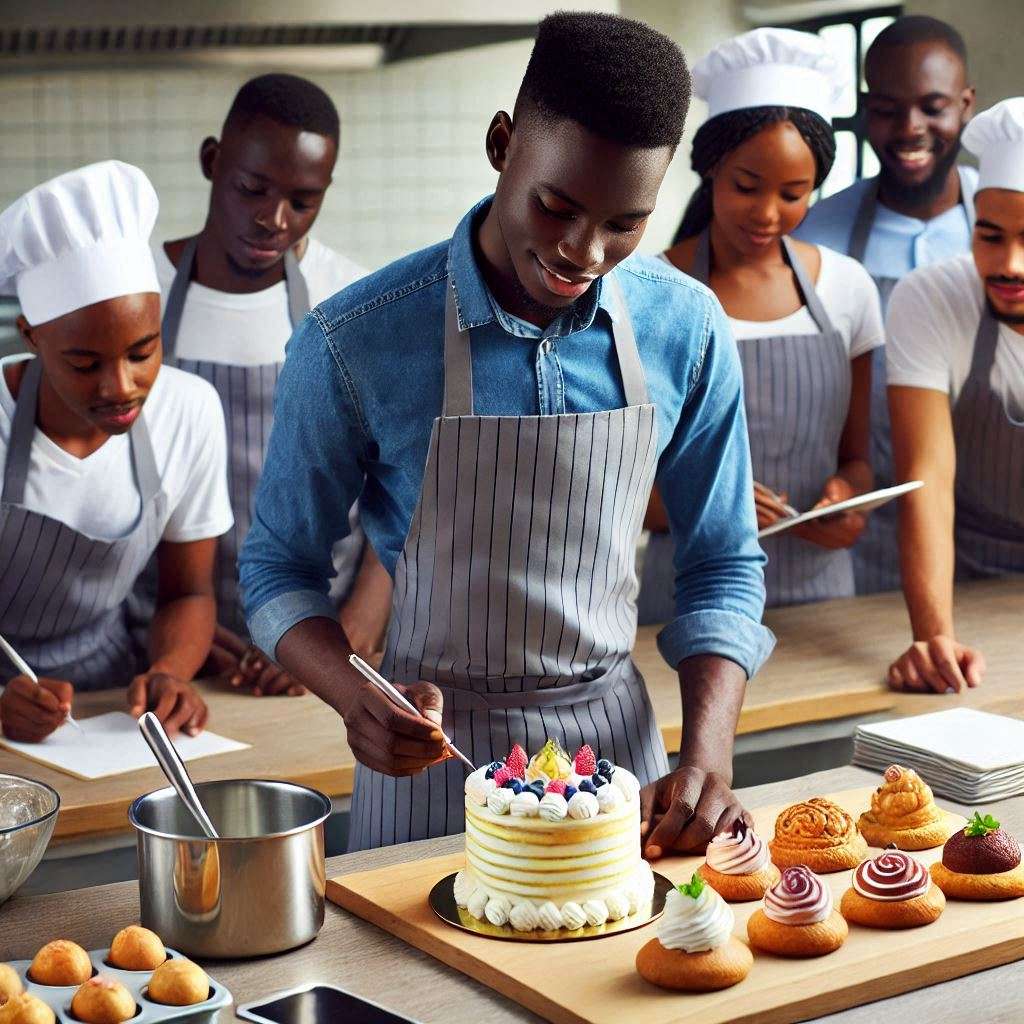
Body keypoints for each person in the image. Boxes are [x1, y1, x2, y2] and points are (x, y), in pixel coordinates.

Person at [239, 12, 774, 855]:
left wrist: (708, 752)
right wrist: (354, 696)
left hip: (620, 769)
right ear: (501, 144)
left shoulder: (688, 328)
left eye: (625, 223)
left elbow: (723, 564)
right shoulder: (355, 339)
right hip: (428, 764)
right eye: (556, 206)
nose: (583, 250)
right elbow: (277, 569)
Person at [142, 73, 389, 697]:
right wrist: (178, 639)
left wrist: (344, 633)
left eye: (303, 202)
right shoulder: (138, 291)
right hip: (159, 648)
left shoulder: (354, 302)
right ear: (212, 161)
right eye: (252, 189)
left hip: (320, 648)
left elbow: (408, 489)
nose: (274, 220)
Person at [638, 28, 883, 621]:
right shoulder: (646, 291)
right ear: (712, 169)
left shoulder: (847, 288)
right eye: (748, 187)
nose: (770, 214)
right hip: (686, 602)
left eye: (795, 194)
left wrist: (847, 502)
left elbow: (857, 460)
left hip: (822, 601)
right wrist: (709, 503)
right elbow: (611, 483)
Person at [0, 161, 232, 742]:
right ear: (31, 336)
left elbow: (189, 591)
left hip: (112, 700)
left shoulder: (189, 410)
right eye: (84, 364)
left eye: (142, 350)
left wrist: (169, 673)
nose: (121, 386)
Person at [795, 16, 976, 594]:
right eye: (888, 108)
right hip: (862, 538)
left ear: (966, 105)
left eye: (933, 106)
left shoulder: (1005, 227)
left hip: (988, 533)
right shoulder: (817, 235)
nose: (910, 128)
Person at [886, 98, 1024, 695]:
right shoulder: (930, 298)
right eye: (989, 237)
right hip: (963, 579)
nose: (1009, 264)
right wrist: (934, 637)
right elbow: (928, 479)